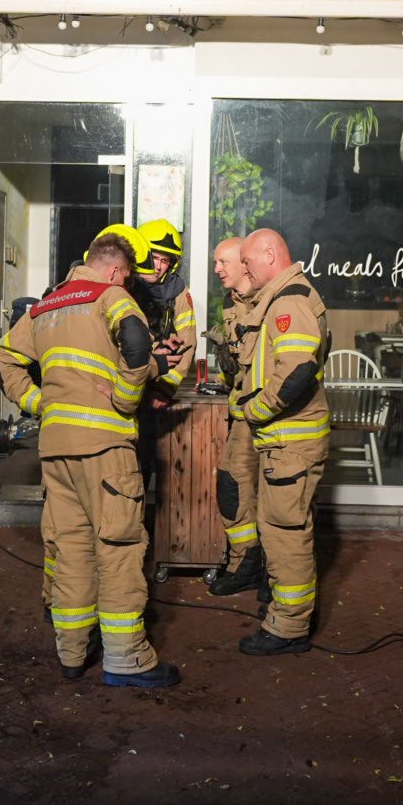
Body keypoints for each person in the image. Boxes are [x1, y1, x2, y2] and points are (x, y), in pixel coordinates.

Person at [0, 231, 180, 688]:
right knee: (117, 548)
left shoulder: (48, 305)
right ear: (115, 270)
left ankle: (72, 653)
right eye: (128, 277)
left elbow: (4, 356)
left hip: (56, 448)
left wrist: (39, 403)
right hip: (105, 447)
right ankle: (127, 658)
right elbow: (134, 342)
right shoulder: (110, 295)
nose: (128, 283)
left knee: (71, 549)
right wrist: (126, 396)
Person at [234, 228, 330, 655]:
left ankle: (289, 629)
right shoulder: (280, 297)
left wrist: (255, 409)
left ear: (270, 254)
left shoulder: (289, 300)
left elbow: (297, 371)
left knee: (285, 533)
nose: (244, 270)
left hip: (291, 444)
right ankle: (285, 614)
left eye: (249, 262)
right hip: (284, 444)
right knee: (279, 530)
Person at [206, 236, 266, 597]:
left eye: (223, 262)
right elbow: (240, 374)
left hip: (275, 419)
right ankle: (246, 561)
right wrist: (225, 359)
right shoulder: (235, 305)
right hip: (245, 418)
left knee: (276, 505)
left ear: (245, 264)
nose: (217, 269)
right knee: (232, 489)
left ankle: (270, 572)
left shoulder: (272, 303)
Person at [135, 218, 197, 398]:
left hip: (158, 379)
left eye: (165, 260)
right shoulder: (122, 285)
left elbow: (188, 342)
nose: (158, 267)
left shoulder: (177, 291)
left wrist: (167, 387)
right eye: (153, 258)